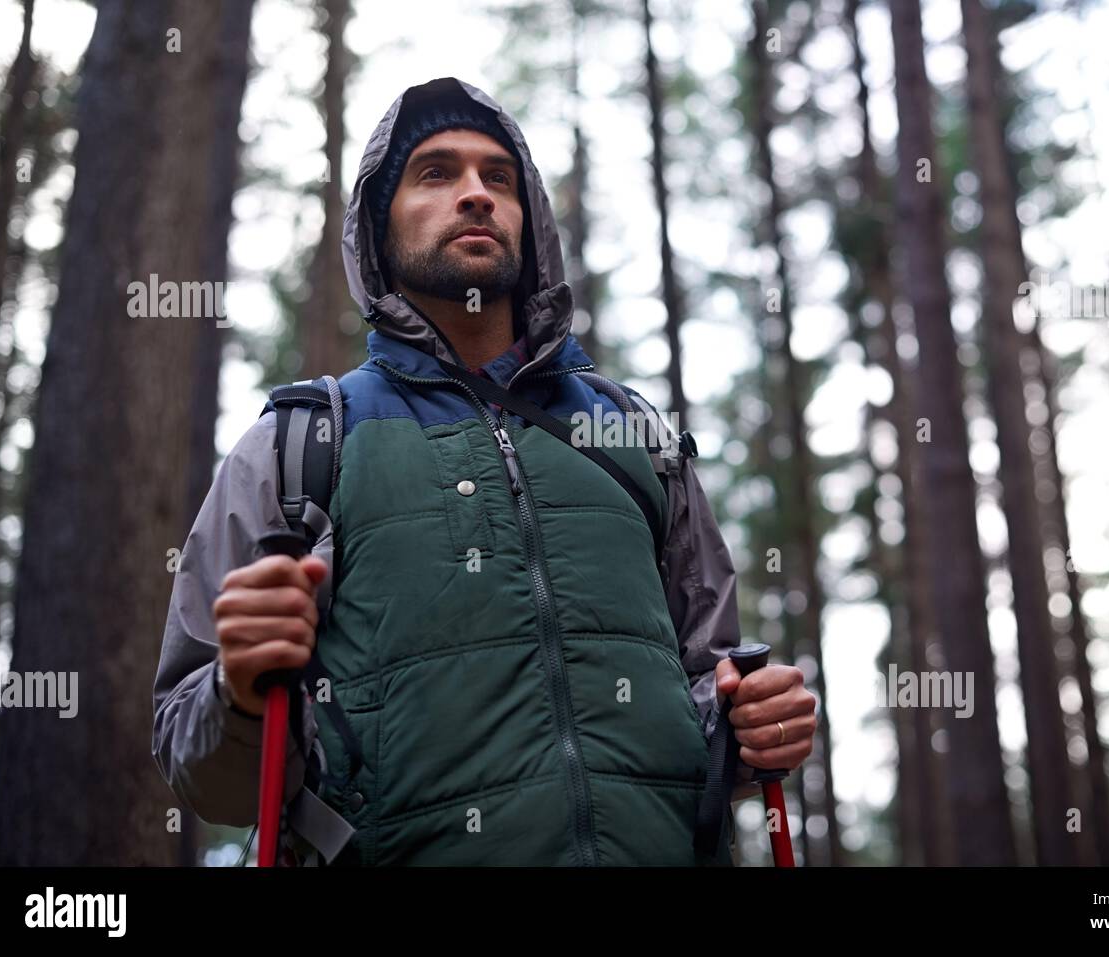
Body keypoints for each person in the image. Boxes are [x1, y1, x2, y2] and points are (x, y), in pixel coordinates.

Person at [152, 76, 817, 866]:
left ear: (528, 222)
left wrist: (753, 724)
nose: (475, 194)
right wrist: (239, 686)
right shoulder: (299, 445)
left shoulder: (632, 432)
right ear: (377, 224)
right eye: (436, 173)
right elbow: (203, 773)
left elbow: (708, 690)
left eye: (497, 178)